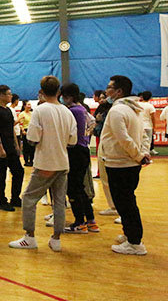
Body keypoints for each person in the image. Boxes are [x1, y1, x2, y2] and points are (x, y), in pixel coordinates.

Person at [9, 76, 76, 252]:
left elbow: (32, 138)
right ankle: (56, 239)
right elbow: (73, 140)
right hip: (62, 163)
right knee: (59, 202)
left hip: (45, 163)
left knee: (29, 199)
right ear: (58, 91)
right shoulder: (67, 112)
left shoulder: (40, 111)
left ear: (41, 92)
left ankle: (29, 237)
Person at [100, 75, 150, 255]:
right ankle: (130, 235)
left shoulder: (117, 111)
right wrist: (142, 154)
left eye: (109, 87)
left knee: (125, 204)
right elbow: (143, 135)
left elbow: (124, 139)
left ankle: (135, 243)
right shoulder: (134, 109)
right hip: (128, 163)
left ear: (119, 91)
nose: (106, 91)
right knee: (126, 202)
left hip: (121, 164)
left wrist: (139, 156)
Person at [61, 83, 99, 234]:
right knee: (80, 187)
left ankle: (79, 222)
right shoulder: (82, 109)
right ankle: (90, 221)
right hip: (83, 150)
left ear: (69, 96)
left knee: (73, 188)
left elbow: (70, 132)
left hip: (75, 151)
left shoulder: (73, 111)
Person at [0, 85, 24, 211]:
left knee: (19, 171)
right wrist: (0, 147)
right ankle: (2, 201)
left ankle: (15, 198)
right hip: (1, 148)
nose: (11, 96)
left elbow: (11, 128)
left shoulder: (8, 111)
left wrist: (16, 145)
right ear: (1, 95)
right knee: (1, 175)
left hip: (11, 146)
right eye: (9, 94)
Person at [138, 91, 156, 156]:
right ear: (150, 98)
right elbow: (153, 118)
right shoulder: (150, 106)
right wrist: (154, 127)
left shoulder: (138, 104)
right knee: (148, 142)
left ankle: (139, 155)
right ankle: (146, 155)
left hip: (139, 125)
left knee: (139, 141)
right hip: (148, 126)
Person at [18, 101, 34, 166]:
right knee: (26, 147)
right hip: (25, 130)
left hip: (32, 130)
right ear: (24, 106)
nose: (29, 106)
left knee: (32, 147)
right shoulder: (22, 114)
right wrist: (23, 130)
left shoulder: (32, 113)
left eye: (30, 105)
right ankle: (26, 161)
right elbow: (20, 123)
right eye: (28, 104)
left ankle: (32, 161)